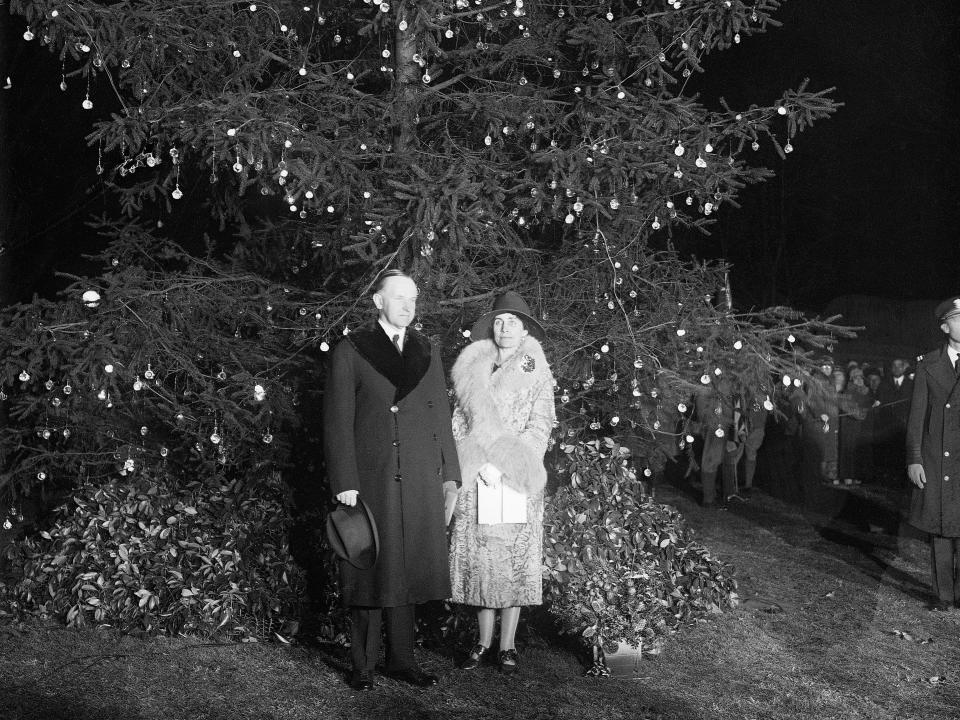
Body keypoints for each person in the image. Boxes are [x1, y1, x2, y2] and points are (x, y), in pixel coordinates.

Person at [323, 269, 462, 690]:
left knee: (408, 569)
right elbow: (337, 419)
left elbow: (441, 415)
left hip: (419, 475)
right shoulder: (352, 349)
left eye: (413, 299)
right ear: (378, 302)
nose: (408, 306)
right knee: (369, 565)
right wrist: (344, 479)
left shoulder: (427, 350)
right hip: (371, 476)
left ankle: (402, 660)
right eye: (399, 298)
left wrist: (451, 475)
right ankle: (363, 664)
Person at [448, 291, 556, 674]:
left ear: (525, 328)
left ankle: (507, 646)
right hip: (477, 474)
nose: (505, 327)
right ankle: (481, 641)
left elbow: (541, 424)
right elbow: (459, 423)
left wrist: (508, 464)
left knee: (513, 561)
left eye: (512, 321)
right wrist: (473, 463)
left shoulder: (536, 370)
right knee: (481, 561)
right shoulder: (472, 368)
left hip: (516, 476)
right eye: (498, 321)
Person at [906, 296, 960, 610]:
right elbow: (916, 417)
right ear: (944, 326)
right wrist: (914, 458)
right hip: (937, 456)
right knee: (940, 527)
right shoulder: (928, 364)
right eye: (957, 319)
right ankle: (944, 595)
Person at [877, 357, 913, 481]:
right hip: (888, 424)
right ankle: (888, 476)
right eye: (894, 366)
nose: (897, 368)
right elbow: (880, 402)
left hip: (904, 424)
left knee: (903, 450)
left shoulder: (911, 384)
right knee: (889, 450)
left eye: (899, 366)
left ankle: (903, 477)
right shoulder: (884, 383)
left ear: (904, 368)